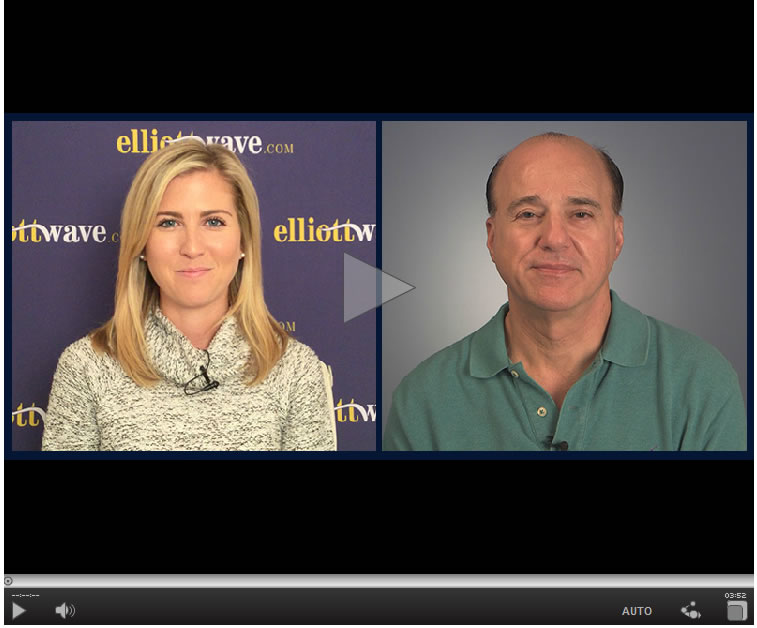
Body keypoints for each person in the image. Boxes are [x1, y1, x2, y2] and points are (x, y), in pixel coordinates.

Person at [383, 132, 746, 451]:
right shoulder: (422, 401)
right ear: (492, 238)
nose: (555, 238)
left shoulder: (700, 383)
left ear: (617, 236)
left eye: (581, 214)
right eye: (528, 214)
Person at [42, 138, 337, 451]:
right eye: (169, 223)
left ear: (243, 240)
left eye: (214, 222)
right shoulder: (85, 368)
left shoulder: (295, 370)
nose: (192, 247)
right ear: (141, 243)